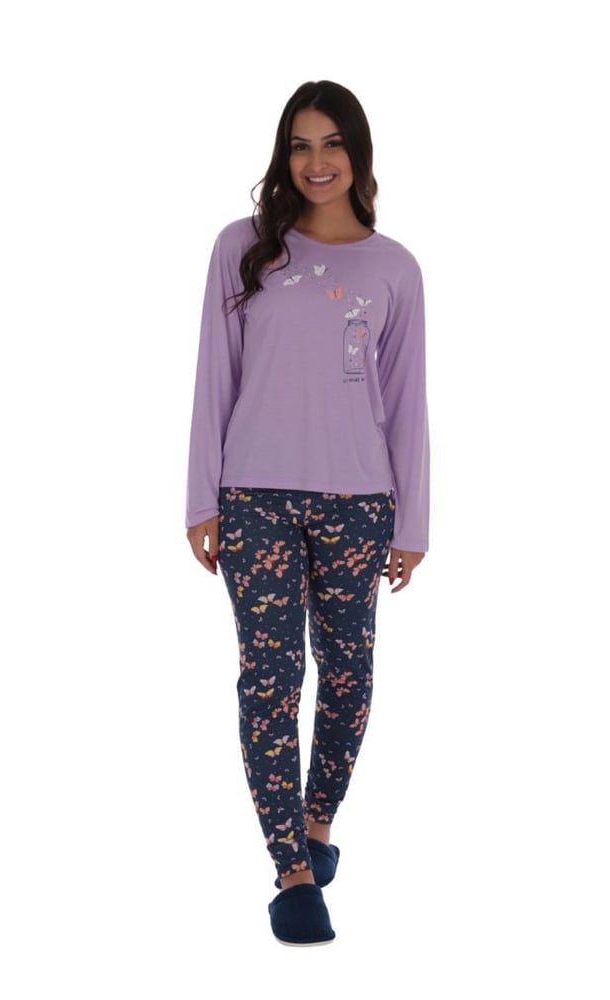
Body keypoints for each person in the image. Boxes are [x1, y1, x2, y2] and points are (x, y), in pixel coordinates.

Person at [184, 80, 430, 946]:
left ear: (358, 154)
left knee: (350, 675)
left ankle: (317, 820)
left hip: (360, 502)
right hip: (254, 498)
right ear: (283, 155)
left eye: (332, 144)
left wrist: (413, 522)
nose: (316, 161)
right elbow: (214, 374)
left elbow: (407, 401)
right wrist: (200, 496)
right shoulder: (243, 248)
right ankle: (290, 868)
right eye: (299, 144)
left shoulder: (395, 268)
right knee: (271, 677)